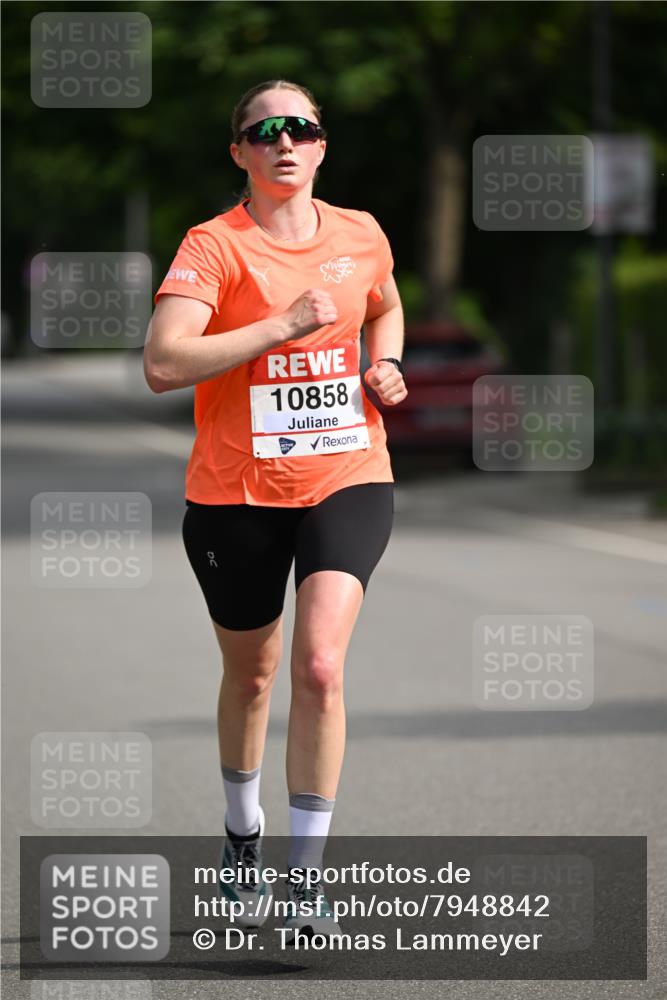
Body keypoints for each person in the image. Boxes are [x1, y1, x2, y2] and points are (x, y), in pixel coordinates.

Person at [144, 79, 407, 942]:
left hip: (347, 472)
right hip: (234, 494)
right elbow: (164, 363)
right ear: (241, 154)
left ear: (322, 146)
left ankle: (303, 883)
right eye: (266, 132)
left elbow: (386, 305)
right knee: (253, 674)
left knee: (320, 667)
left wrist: (385, 363)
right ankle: (240, 835)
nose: (284, 142)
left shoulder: (361, 233)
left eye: (301, 129)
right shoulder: (212, 247)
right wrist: (281, 325)